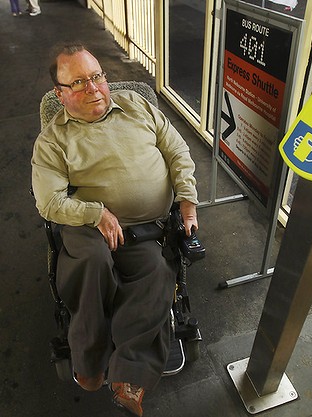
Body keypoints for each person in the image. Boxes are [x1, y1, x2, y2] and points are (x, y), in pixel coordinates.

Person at [31, 44, 199, 417]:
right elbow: (49, 201)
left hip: (144, 227)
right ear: (60, 95)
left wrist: (187, 199)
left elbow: (177, 152)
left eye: (96, 77)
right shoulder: (53, 140)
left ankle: (129, 376)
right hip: (85, 223)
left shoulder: (138, 107)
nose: (92, 88)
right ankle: (89, 359)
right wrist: (96, 213)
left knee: (156, 271)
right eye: (78, 82)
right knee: (92, 262)